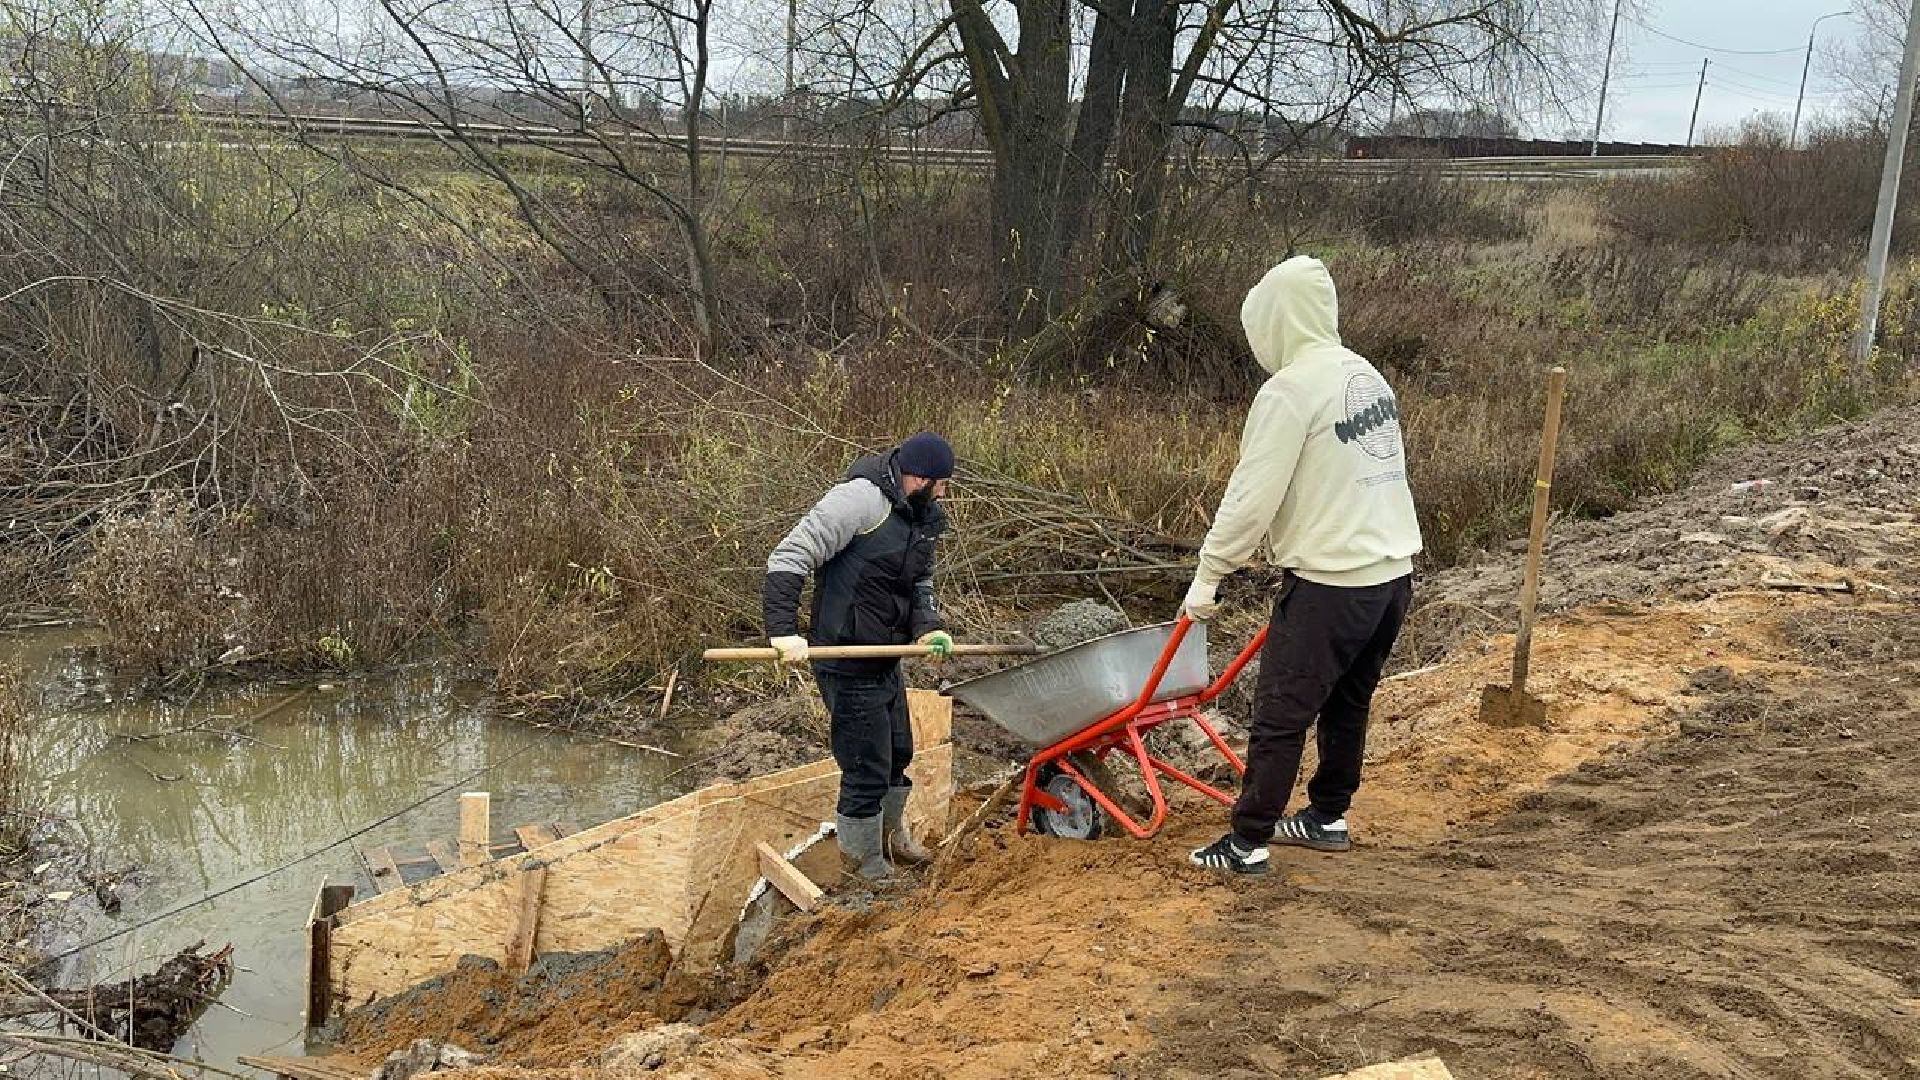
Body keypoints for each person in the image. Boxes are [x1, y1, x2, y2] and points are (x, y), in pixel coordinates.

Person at [1182, 256, 1423, 875]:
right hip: (1392, 573)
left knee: (1281, 714)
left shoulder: (1291, 391)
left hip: (1332, 582)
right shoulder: (1366, 376)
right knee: (1349, 699)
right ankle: (1327, 815)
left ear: (1277, 322)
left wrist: (1211, 573)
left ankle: (1246, 842)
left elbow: (1251, 496)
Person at [762, 433, 957, 881]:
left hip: (883, 656)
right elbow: (789, 556)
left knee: (897, 753)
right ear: (920, 478)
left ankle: (891, 841)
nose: (944, 493)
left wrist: (928, 629)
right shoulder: (859, 502)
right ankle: (862, 864)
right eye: (942, 484)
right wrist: (784, 633)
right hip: (844, 655)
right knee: (866, 765)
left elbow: (919, 583)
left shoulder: (920, 517)